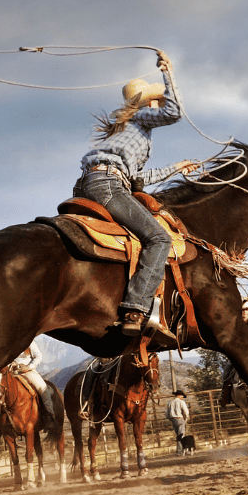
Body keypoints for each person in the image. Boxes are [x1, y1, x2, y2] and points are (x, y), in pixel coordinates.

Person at [74, 51, 199, 341]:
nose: (160, 102)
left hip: (93, 183)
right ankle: (136, 308)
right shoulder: (141, 120)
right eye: (156, 99)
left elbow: (137, 180)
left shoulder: (124, 132)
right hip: (107, 184)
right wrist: (169, 72)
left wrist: (176, 168)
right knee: (159, 238)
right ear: (146, 102)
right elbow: (175, 113)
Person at [0, 340, 57, 427]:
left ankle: (49, 417)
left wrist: (29, 367)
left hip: (26, 371)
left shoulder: (29, 340)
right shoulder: (7, 340)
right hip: (10, 371)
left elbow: (38, 356)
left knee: (42, 387)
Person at [219, 297, 248, 407]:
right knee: (227, 370)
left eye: (246, 309)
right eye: (242, 310)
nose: (244, 312)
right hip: (238, 351)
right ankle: (225, 396)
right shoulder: (234, 324)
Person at [166, 389, 190, 455]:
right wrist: (186, 418)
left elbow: (167, 413)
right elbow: (186, 411)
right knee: (181, 435)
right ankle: (180, 451)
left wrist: (170, 418)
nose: (182, 397)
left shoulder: (170, 402)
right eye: (182, 396)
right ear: (179, 396)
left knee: (178, 435)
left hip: (173, 419)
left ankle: (181, 450)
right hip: (180, 418)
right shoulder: (181, 402)